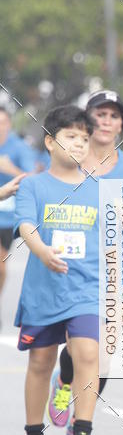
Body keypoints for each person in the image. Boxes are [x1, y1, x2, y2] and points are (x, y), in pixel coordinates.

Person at [47, 90, 123, 435]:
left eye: (113, 116)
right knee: (77, 343)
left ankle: (81, 424)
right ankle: (64, 382)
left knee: (106, 352)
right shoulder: (69, 160)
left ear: (122, 124)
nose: (106, 121)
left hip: (114, 267)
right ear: (86, 121)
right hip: (68, 262)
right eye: (100, 114)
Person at [15, 106, 100, 435]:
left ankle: (83, 433)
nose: (79, 144)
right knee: (40, 361)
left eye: (84, 138)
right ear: (50, 142)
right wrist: (43, 252)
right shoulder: (33, 184)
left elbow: (116, 241)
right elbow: (25, 225)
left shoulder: (99, 190)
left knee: (88, 354)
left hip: (87, 290)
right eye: (70, 136)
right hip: (44, 289)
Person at [0, 106, 37, 325]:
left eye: (3, 122)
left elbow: (33, 179)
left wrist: (10, 168)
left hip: (9, 219)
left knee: (1, 267)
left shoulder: (19, 147)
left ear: (9, 124)